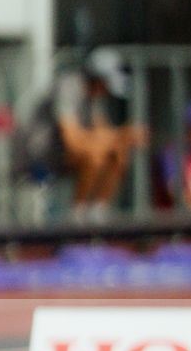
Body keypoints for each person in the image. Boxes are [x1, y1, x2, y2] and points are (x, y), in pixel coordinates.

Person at [53, 47, 147, 223]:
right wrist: (115, 136)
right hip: (48, 152)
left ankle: (98, 210)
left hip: (74, 151)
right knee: (95, 154)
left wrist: (124, 135)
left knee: (119, 149)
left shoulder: (94, 96)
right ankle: (77, 214)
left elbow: (101, 132)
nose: (106, 91)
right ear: (98, 79)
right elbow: (71, 140)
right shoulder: (69, 87)